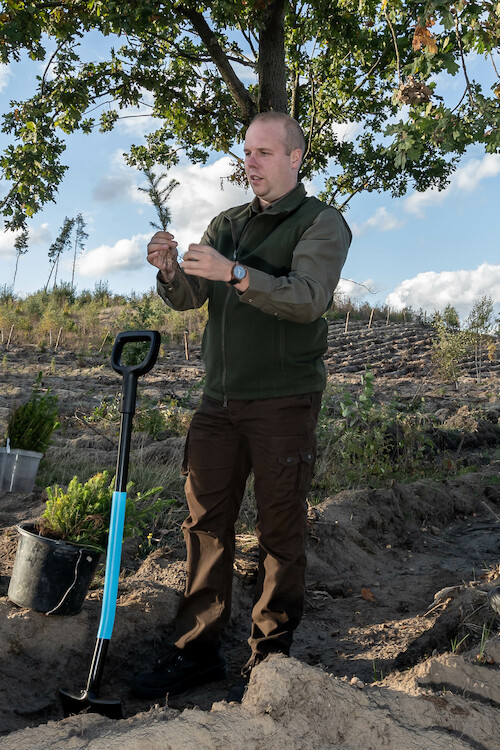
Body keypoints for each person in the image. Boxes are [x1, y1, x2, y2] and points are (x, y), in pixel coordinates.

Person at [132, 111, 352, 702]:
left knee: (279, 530)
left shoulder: (320, 222)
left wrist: (238, 274)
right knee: (205, 525)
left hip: (283, 401)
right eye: (246, 152)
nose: (249, 162)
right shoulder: (226, 222)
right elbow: (189, 299)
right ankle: (197, 651)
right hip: (218, 404)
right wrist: (171, 271)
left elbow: (307, 300)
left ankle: (270, 660)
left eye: (262, 152)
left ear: (294, 157)